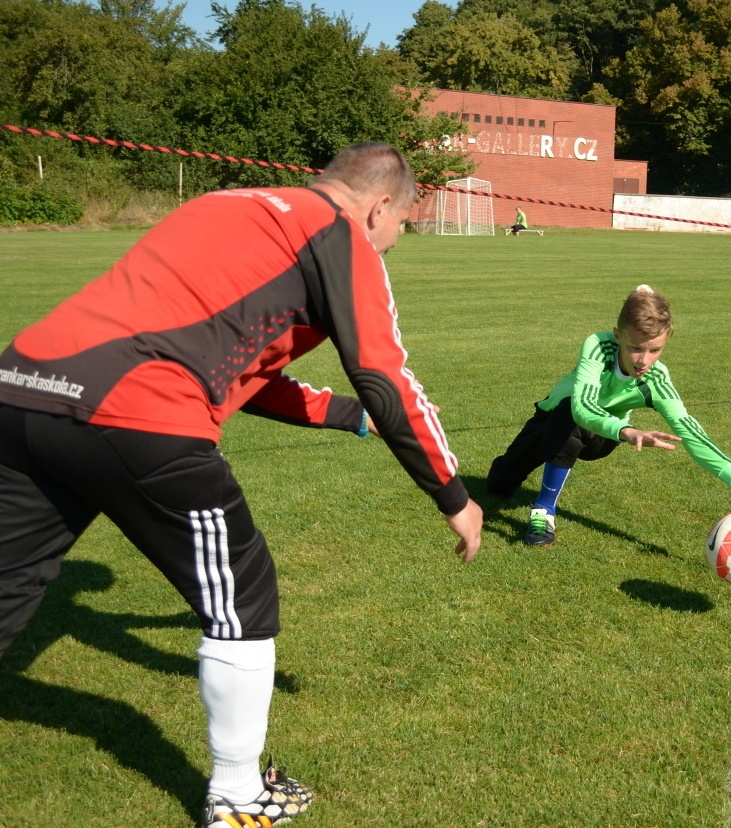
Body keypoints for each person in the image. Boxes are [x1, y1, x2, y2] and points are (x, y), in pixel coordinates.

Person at [0, 142, 483, 827]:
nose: (396, 239)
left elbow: (230, 366)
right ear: (379, 205)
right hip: (136, 412)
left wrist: (345, 418)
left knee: (5, 582)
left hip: (20, 389)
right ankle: (236, 797)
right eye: (402, 223)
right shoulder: (336, 232)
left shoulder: (227, 202)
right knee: (242, 595)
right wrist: (454, 496)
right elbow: (384, 376)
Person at [486, 285, 731, 546]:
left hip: (599, 437)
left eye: (655, 350)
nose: (645, 360)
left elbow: (691, 432)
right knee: (497, 485)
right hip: (550, 420)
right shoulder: (598, 346)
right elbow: (583, 405)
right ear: (618, 336)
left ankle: (543, 511)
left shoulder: (656, 380)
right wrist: (628, 431)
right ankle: (510, 474)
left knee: (571, 418)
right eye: (635, 349)